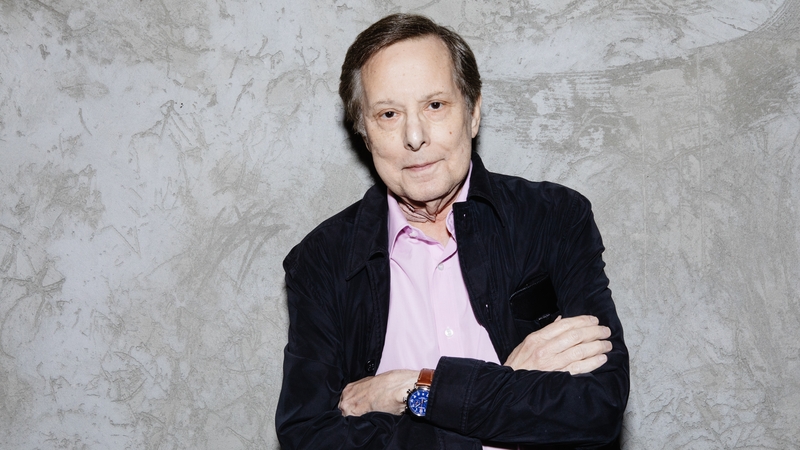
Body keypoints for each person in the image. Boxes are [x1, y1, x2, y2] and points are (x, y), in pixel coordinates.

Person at [276, 13, 629, 450]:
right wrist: (508, 389)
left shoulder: (554, 218)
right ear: (365, 133)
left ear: (474, 112)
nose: (415, 136)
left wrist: (415, 389)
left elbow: (597, 408)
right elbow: (309, 438)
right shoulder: (321, 260)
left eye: (435, 105)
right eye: (388, 114)